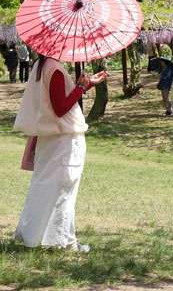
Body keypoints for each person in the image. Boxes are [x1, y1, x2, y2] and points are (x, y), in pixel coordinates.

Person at [13, 54, 108, 251]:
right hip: (63, 140)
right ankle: (63, 242)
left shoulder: (41, 66)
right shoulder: (53, 68)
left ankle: (34, 236)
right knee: (64, 190)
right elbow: (60, 108)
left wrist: (88, 83)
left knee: (44, 187)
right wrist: (80, 87)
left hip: (50, 139)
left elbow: (57, 100)